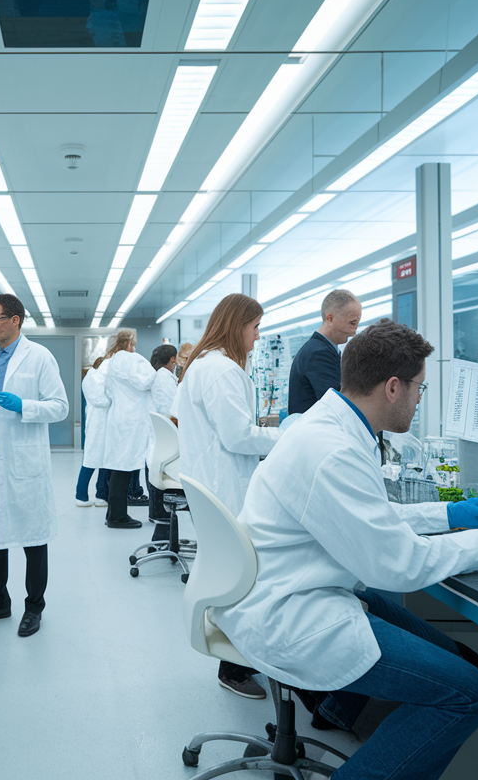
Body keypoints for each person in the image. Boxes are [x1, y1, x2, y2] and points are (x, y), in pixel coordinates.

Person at [214, 320, 478, 780]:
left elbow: (366, 517)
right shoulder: (333, 450)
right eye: (420, 389)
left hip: (293, 587)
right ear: (394, 387)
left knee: (464, 661)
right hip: (292, 613)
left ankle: (348, 715)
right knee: (471, 691)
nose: (421, 401)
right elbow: (397, 564)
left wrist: (448, 517)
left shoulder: (331, 427)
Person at [173, 293, 282, 700]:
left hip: (212, 485)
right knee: (249, 574)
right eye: (254, 328)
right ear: (237, 325)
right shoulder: (220, 370)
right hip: (226, 487)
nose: (257, 337)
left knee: (235, 570)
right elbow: (238, 436)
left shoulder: (202, 366)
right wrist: (287, 434)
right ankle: (236, 666)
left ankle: (238, 658)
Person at [0, 294, 68, 638]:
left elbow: (60, 407)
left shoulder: (39, 358)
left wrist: (26, 406)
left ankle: (34, 606)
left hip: (23, 457)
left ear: (15, 320)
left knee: (33, 537)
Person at [99, 329, 154, 529]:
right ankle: (118, 517)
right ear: (129, 343)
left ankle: (113, 513)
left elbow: (108, 392)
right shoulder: (131, 360)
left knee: (118, 467)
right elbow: (146, 381)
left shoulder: (112, 362)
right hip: (131, 418)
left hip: (118, 417)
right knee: (123, 468)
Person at [288, 288, 362, 415]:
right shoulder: (318, 353)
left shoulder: (322, 348)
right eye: (352, 323)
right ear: (330, 319)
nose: (354, 331)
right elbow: (338, 405)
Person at [146, 344, 178, 539]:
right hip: (165, 445)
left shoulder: (162, 377)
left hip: (160, 446)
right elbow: (172, 412)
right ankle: (164, 536)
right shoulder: (164, 379)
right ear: (173, 359)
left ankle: (164, 537)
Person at [75, 356, 110, 507]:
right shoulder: (95, 380)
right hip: (98, 424)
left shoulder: (91, 379)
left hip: (100, 424)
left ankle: (101, 495)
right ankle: (81, 496)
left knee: (103, 462)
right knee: (91, 461)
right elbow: (102, 400)